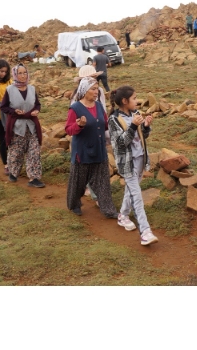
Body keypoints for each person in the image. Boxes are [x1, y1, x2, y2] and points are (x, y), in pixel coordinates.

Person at [108, 85, 159, 245]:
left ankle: (123, 216)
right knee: (137, 196)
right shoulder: (114, 120)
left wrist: (146, 126)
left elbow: (142, 137)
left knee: (132, 189)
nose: (138, 101)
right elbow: (121, 143)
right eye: (134, 98)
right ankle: (145, 232)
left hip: (140, 159)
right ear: (124, 101)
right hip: (127, 163)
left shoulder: (136, 114)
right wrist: (133, 126)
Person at [65, 77, 119, 218]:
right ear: (84, 91)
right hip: (82, 151)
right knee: (78, 182)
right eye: (93, 89)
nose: (96, 92)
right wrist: (79, 125)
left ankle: (108, 209)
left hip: (99, 149)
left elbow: (105, 124)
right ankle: (75, 204)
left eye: (97, 89)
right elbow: (69, 129)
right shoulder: (75, 108)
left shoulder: (99, 106)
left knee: (103, 182)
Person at [0, 64, 45, 188]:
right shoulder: (10, 89)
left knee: (34, 152)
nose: (23, 75)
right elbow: (3, 107)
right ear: (15, 74)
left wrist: (36, 110)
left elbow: (37, 104)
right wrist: (14, 111)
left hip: (32, 125)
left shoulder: (32, 89)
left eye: (25, 72)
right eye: (20, 73)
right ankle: (13, 172)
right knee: (16, 152)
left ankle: (34, 178)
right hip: (17, 126)